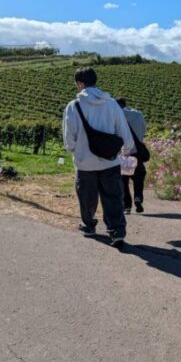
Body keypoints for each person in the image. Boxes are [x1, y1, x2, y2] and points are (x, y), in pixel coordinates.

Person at [63, 68, 134, 246]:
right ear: (95, 82)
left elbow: (69, 138)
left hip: (85, 163)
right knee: (113, 197)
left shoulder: (74, 106)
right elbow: (123, 130)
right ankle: (116, 231)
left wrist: (75, 151)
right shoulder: (112, 104)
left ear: (80, 84)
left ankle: (88, 225)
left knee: (87, 197)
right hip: (110, 161)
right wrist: (126, 149)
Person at [116, 97, 147, 214]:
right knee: (139, 176)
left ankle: (127, 206)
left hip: (123, 153)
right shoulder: (138, 115)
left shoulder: (116, 115)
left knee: (123, 180)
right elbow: (144, 131)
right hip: (137, 152)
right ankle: (138, 198)